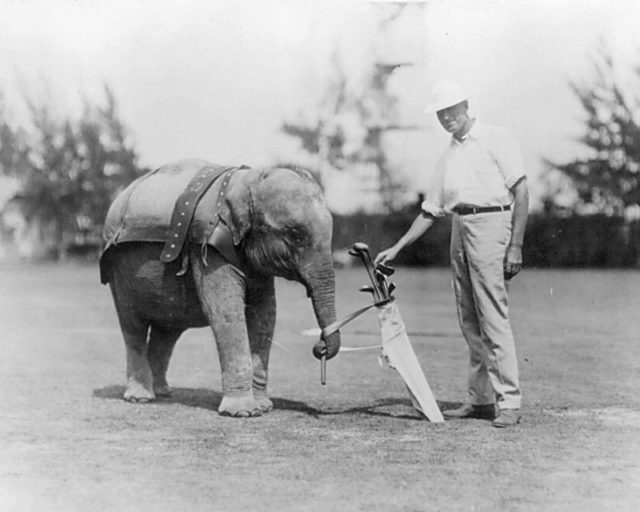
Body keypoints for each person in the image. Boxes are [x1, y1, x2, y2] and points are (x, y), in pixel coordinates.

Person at [375, 79, 529, 428]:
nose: (447, 118)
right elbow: (431, 210)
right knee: (469, 319)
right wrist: (397, 247)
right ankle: (480, 400)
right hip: (460, 227)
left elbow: (521, 191)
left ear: (466, 107)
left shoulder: (496, 138)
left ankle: (510, 402)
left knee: (493, 315)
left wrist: (515, 245)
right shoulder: (448, 155)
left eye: (452, 111)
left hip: (492, 224)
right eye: (441, 114)